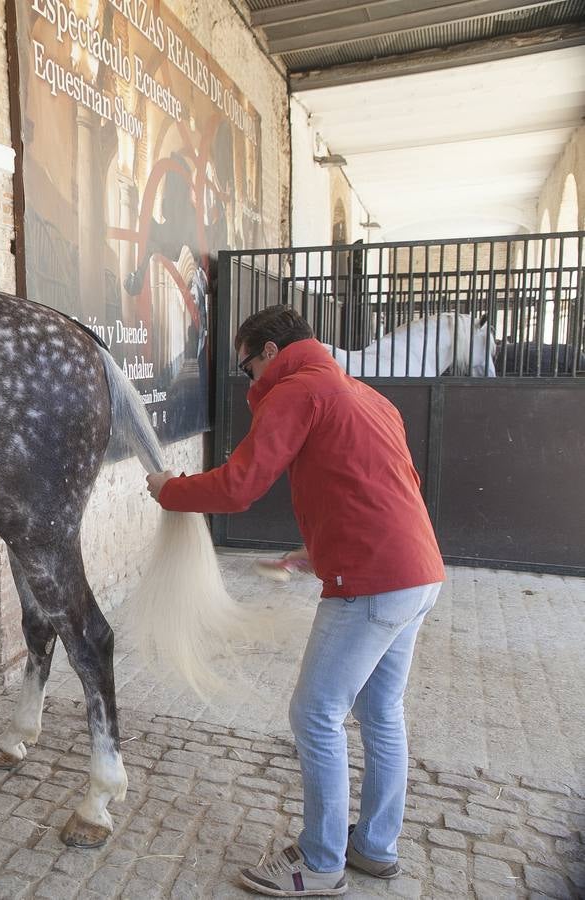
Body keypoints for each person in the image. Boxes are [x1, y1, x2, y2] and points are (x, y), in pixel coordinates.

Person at [145, 305, 444, 897]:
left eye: (248, 367)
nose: (250, 381)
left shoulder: (299, 390)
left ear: (272, 352)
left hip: (372, 585)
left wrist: (168, 491)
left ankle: (320, 861)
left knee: (316, 714)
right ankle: (375, 848)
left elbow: (238, 486)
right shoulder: (363, 394)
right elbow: (381, 486)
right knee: (381, 714)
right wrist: (315, 552)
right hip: (419, 575)